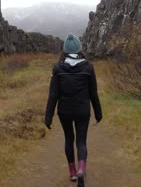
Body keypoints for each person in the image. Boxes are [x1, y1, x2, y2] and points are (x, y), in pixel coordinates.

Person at [44, 34, 103, 187]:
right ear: (79, 49)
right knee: (81, 141)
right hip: (83, 110)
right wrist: (98, 113)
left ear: (64, 51)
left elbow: (53, 95)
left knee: (69, 139)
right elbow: (93, 93)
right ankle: (81, 170)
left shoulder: (57, 69)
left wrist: (48, 117)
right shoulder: (88, 67)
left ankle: (72, 172)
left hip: (64, 111)